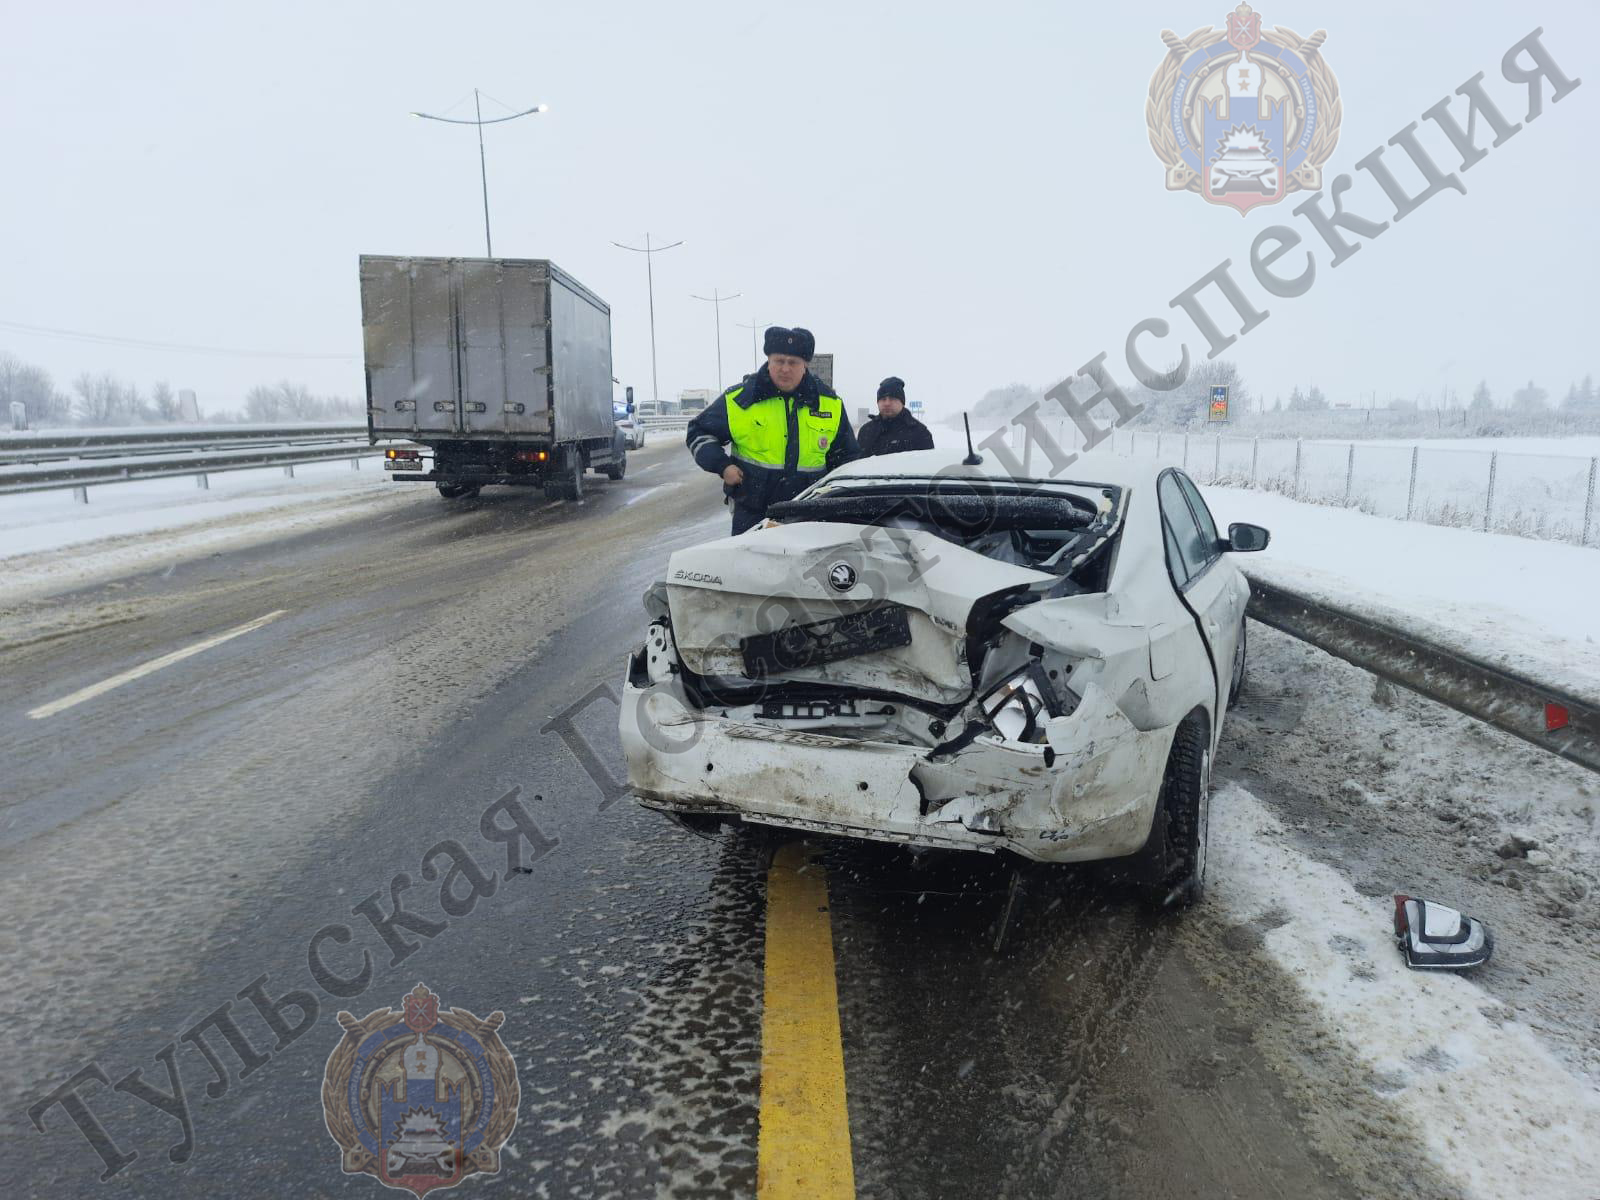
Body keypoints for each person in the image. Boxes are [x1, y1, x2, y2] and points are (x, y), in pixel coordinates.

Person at [686, 326, 859, 534]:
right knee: (748, 567)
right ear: (769, 360)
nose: (785, 369)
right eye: (779, 361)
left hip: (810, 515)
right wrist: (723, 466)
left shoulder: (830, 404)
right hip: (752, 514)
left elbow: (848, 457)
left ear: (805, 364)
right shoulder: (740, 400)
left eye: (793, 362)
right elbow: (699, 432)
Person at [856, 376, 934, 457]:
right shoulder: (866, 431)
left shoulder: (920, 432)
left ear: (902, 402)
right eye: (883, 399)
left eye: (892, 398)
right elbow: (857, 464)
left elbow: (927, 466)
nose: (887, 403)